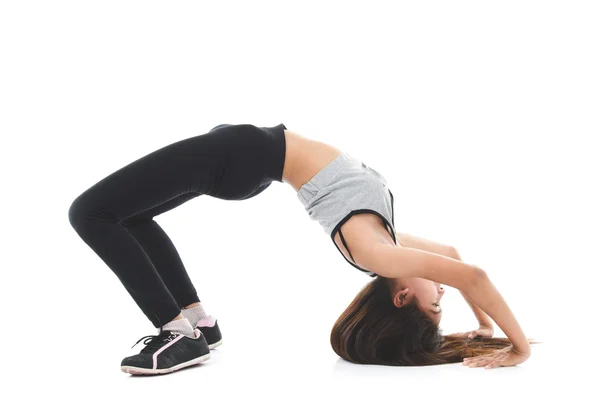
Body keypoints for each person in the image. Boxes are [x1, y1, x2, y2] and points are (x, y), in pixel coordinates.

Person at [68, 123, 532, 375]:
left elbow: (472, 275)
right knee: (126, 216)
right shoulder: (386, 244)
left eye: (434, 302)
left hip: (241, 157)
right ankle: (198, 324)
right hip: (248, 159)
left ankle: (179, 336)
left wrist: (519, 349)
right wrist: (485, 324)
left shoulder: (377, 255)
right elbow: (454, 255)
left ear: (402, 296)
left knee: (89, 213)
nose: (442, 291)